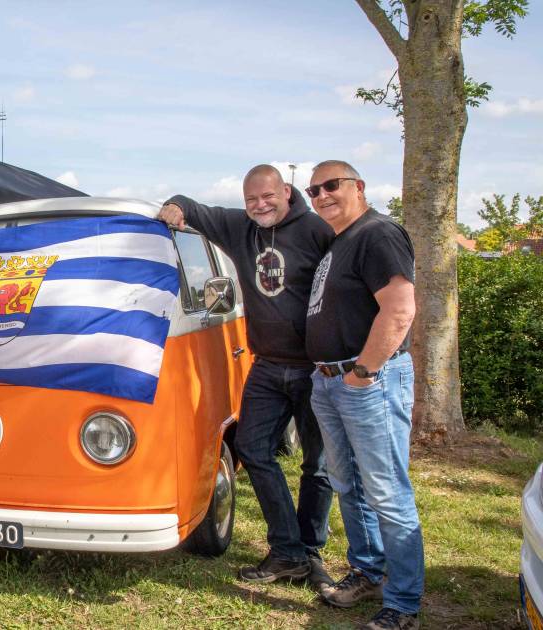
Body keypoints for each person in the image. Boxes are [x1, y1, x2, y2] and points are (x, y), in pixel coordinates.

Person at [159, 164, 335, 590]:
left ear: (287, 192)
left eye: (268, 197)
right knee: (253, 449)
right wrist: (174, 207)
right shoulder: (243, 228)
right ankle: (287, 550)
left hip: (315, 367)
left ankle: (309, 549)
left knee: (319, 462)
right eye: (252, 199)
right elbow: (192, 208)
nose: (260, 206)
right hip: (268, 364)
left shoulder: (318, 232)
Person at [303, 160, 420, 630]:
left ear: (359, 186)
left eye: (332, 185)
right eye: (313, 190)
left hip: (367, 379)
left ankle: (404, 602)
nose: (322, 195)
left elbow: (399, 307)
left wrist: (364, 372)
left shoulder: (378, 233)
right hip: (330, 380)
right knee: (348, 483)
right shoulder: (340, 241)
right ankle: (368, 570)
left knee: (387, 490)